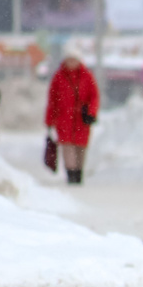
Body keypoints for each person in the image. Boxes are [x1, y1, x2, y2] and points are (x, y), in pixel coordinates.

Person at [44, 48, 99, 185]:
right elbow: (53, 100)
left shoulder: (87, 76)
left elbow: (94, 97)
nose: (71, 62)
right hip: (64, 119)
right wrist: (50, 120)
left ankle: (79, 173)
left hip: (82, 119)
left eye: (74, 59)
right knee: (67, 148)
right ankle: (71, 175)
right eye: (69, 59)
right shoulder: (58, 77)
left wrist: (91, 112)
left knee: (81, 148)